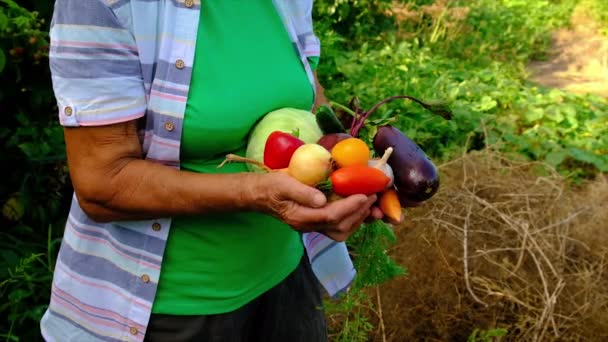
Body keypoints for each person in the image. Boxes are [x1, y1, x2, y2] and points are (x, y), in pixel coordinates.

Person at [40, 0, 383, 341]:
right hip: (177, 312)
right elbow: (102, 184)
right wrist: (255, 192)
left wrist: (351, 168)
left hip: (289, 280)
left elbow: (311, 97)